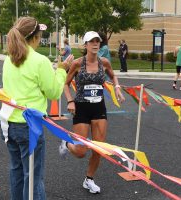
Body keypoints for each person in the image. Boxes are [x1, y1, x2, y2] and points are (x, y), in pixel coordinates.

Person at [2, 16, 73, 200]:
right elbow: (53, 92)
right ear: (34, 36)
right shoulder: (39, 60)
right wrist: (62, 69)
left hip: (9, 122)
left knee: (16, 171)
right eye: (40, 34)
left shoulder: (9, 59)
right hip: (30, 126)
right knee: (33, 177)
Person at [59, 31, 125, 194]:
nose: (96, 44)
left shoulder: (104, 62)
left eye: (98, 41)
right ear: (86, 45)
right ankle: (67, 144)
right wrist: (70, 101)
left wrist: (116, 87)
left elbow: (113, 76)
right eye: (92, 41)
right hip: (81, 108)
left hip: (98, 108)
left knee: (99, 148)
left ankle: (89, 179)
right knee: (81, 151)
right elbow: (66, 84)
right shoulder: (77, 63)